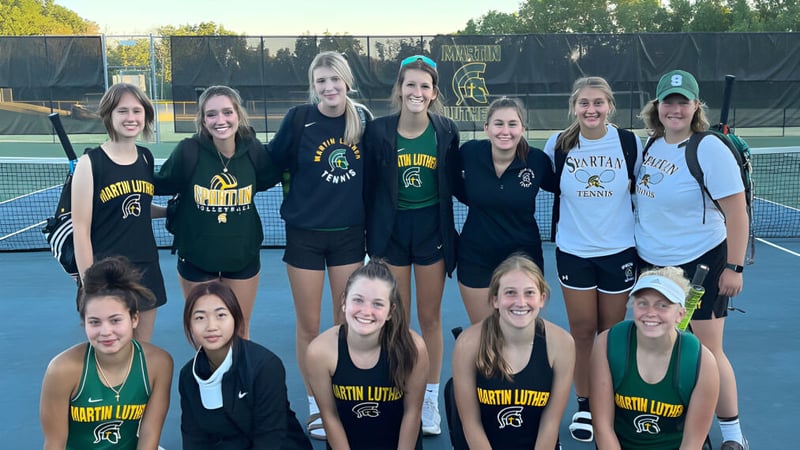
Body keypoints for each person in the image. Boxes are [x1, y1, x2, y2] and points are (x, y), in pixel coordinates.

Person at [636, 70, 749, 450]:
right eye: (668, 101)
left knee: (708, 351)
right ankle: (687, 431)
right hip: (652, 265)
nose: (675, 108)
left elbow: (736, 212)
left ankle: (733, 435)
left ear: (696, 106)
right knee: (667, 350)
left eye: (683, 101)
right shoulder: (651, 145)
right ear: (657, 106)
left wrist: (734, 267)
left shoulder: (708, 148)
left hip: (700, 265)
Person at [266, 51, 369, 440]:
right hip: (305, 236)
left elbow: (374, 175)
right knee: (309, 325)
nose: (328, 88)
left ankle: (342, 397)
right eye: (321, 81)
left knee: (346, 323)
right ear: (314, 85)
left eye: (334, 80)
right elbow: (268, 164)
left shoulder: (362, 120)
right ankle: (316, 404)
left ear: (346, 82)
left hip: (348, 236)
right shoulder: (298, 119)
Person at [363, 54, 459, 435]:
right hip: (392, 231)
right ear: (399, 89)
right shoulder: (379, 131)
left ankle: (430, 396)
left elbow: (455, 180)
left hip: (431, 230)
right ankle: (401, 389)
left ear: (434, 93)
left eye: (424, 86)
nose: (416, 92)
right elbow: (368, 183)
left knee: (430, 317)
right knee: (395, 318)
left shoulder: (446, 130)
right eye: (410, 84)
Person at [542, 77, 642, 442]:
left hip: (619, 252)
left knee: (610, 335)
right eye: (584, 102)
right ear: (574, 106)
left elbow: (644, 192)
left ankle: (609, 404)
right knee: (583, 333)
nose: (591, 109)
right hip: (574, 252)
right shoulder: (560, 144)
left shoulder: (630, 143)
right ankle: (585, 407)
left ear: (609, 106)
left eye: (598, 102)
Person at [156, 85, 278, 339]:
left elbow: (269, 177)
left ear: (238, 114)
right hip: (197, 259)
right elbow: (159, 184)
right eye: (211, 114)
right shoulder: (188, 152)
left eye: (227, 112)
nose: (220, 120)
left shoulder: (253, 151)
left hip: (243, 258)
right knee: (205, 335)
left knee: (240, 330)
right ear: (202, 120)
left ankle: (238, 380)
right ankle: (209, 380)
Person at [40, 256, 173, 449]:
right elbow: (54, 444)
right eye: (95, 322)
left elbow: (149, 434)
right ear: (84, 323)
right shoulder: (62, 370)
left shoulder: (158, 363)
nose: (105, 332)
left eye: (115, 320)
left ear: (134, 319)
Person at [71, 83, 167, 342]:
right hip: (108, 273)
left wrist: (169, 212)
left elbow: (137, 208)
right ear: (109, 116)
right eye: (122, 111)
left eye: (137, 111)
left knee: (141, 348)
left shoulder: (146, 158)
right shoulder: (90, 164)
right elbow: (79, 229)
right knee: (112, 350)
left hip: (146, 267)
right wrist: (89, 284)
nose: (131, 118)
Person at [450, 254, 574, 450]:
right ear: (495, 300)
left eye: (529, 293)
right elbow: (471, 423)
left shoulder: (561, 344)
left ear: (541, 299)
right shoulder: (468, 344)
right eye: (510, 293)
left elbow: (550, 422)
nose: (520, 302)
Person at [451, 97, 556, 324]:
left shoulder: (537, 161)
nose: (505, 131)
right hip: (475, 257)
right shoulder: (468, 153)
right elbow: (452, 185)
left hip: (523, 257)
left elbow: (564, 189)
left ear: (522, 129)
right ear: (487, 128)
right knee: (483, 330)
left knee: (519, 330)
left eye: (512, 124)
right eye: (498, 124)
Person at [590, 266, 720, 449]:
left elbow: (692, 443)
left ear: (680, 314)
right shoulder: (608, 343)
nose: (650, 312)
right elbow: (603, 428)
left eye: (663, 305)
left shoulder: (702, 361)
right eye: (642, 303)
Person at [305, 259, 429, 450]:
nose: (366, 311)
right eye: (358, 300)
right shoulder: (320, 352)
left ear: (390, 311)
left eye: (378, 304)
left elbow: (412, 412)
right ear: (344, 302)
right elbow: (330, 417)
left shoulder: (413, 348)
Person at [179, 281, 312, 449]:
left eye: (221, 315)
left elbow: (270, 439)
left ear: (235, 319)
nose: (211, 326)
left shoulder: (265, 366)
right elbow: (194, 439)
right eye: (200, 318)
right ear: (189, 325)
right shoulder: (188, 376)